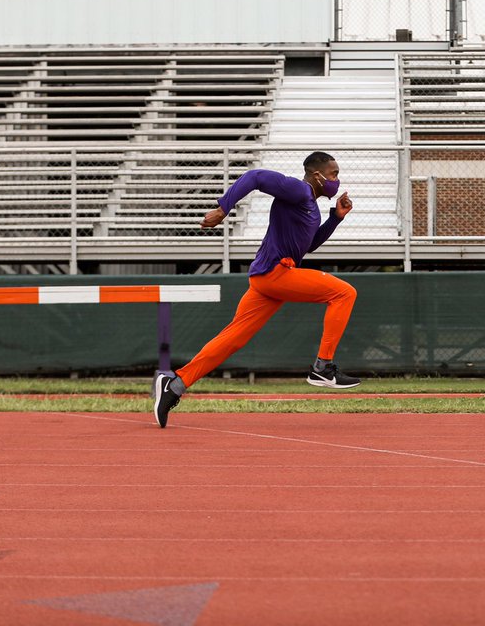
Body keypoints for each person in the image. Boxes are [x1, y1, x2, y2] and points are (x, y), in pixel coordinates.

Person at [153, 151, 360, 427]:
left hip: (267, 280)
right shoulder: (299, 190)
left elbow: (307, 246)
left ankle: (174, 385)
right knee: (344, 293)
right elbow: (255, 176)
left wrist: (335, 218)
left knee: (233, 338)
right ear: (317, 175)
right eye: (334, 174)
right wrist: (223, 208)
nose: (337, 180)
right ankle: (323, 367)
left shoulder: (310, 205)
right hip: (276, 274)